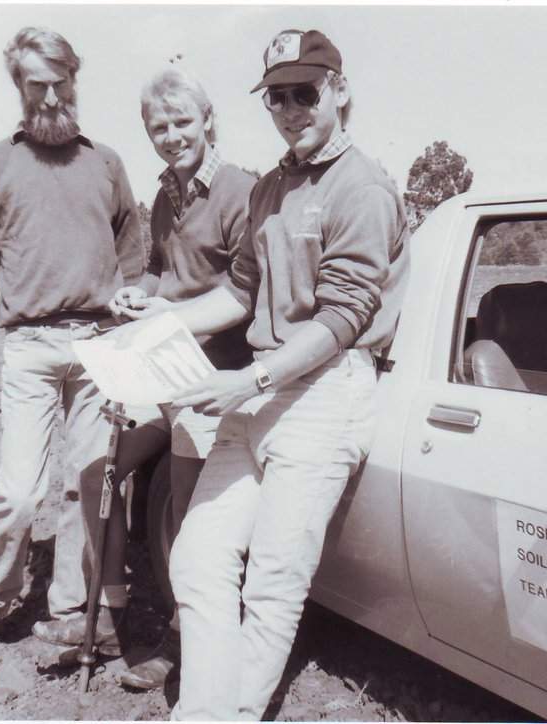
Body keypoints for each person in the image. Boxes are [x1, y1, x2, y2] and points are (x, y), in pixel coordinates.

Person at [114, 28, 410, 719]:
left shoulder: (361, 187)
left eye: (303, 93)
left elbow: (341, 321)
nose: (288, 110)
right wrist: (151, 327)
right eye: (276, 97)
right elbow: (240, 292)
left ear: (339, 92)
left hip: (321, 392)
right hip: (260, 392)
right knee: (194, 561)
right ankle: (209, 708)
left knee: (271, 585)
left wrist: (248, 381)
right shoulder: (273, 186)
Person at [31, 67, 256, 691]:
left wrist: (167, 313)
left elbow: (245, 293)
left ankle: (183, 639)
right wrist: (139, 295)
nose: (172, 136)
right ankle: (108, 615)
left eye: (183, 122)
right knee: (94, 468)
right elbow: (159, 270)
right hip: (162, 367)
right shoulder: (163, 195)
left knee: (186, 513)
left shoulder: (242, 192)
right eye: (159, 127)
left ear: (208, 119)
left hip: (213, 379)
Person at [0, 26, 145, 658]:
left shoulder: (107, 162)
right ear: (20, 88)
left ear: (75, 79)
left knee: (88, 487)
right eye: (38, 84)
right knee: (18, 492)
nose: (52, 95)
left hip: (98, 347)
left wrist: (134, 313)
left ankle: (70, 607)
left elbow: (134, 257)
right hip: (29, 350)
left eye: (62, 82)